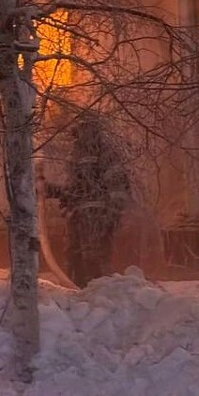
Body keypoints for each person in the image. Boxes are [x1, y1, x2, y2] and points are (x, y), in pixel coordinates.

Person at [45, 114, 131, 287]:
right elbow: (76, 190)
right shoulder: (77, 156)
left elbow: (117, 187)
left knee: (93, 262)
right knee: (74, 261)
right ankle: (78, 297)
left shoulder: (104, 154)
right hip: (78, 219)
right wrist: (51, 190)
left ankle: (98, 297)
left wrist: (110, 217)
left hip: (96, 220)